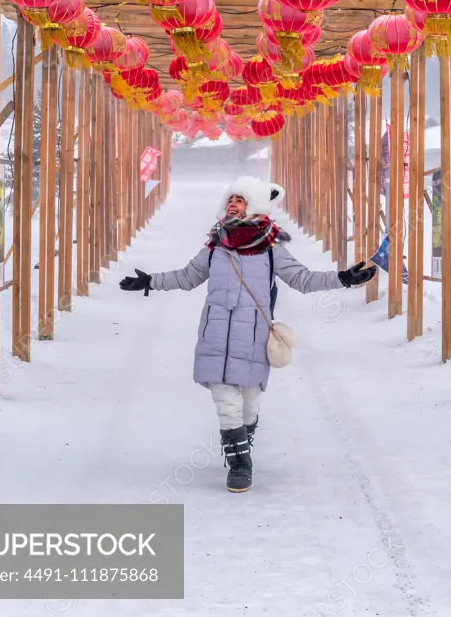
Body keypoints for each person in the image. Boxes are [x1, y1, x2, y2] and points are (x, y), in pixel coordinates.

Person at [120, 176, 375, 493]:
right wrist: (150, 281)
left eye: (239, 200)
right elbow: (186, 277)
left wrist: (343, 279)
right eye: (230, 200)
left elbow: (303, 279)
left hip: (253, 337)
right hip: (215, 335)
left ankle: (242, 440)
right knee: (226, 402)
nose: (232, 204)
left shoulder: (271, 250)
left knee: (249, 407)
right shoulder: (214, 248)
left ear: (254, 206)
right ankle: (240, 465)